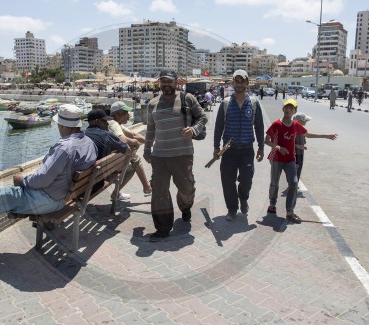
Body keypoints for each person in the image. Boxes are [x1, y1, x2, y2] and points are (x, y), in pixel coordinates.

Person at [0, 104, 97, 217]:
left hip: (48, 200)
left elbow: (42, 179)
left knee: (1, 194)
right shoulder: (89, 142)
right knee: (7, 195)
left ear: (61, 124)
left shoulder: (64, 147)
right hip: (65, 196)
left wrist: (22, 180)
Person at [144, 69, 207, 241]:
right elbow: (150, 129)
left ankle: (185, 207)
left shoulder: (187, 99)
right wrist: (146, 149)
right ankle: (163, 228)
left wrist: (193, 130)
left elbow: (202, 117)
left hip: (182, 154)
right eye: (163, 81)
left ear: (176, 82)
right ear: (159, 83)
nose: (166, 84)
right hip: (159, 156)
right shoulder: (153, 104)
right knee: (159, 192)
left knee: (186, 189)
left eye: (169, 81)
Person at [264, 99, 338, 223]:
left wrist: (326, 136)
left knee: (293, 183)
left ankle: (290, 211)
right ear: (283, 109)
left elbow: (308, 135)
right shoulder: (276, 124)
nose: (288, 110)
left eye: (291, 108)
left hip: (290, 160)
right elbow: (266, 140)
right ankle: (272, 204)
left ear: (295, 111)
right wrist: (277, 147)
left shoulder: (296, 125)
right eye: (286, 107)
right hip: (277, 159)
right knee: (274, 183)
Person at [213, 69, 265, 220]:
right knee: (227, 181)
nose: (240, 84)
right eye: (237, 81)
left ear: (247, 83)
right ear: (233, 82)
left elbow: (259, 126)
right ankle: (232, 209)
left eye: (243, 81)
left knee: (247, 179)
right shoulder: (226, 103)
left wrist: (261, 147)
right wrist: (216, 147)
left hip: (247, 150)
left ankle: (243, 198)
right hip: (228, 150)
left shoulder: (254, 103)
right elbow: (218, 127)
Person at [109, 101, 152, 199]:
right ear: (118, 114)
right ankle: (147, 188)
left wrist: (150, 143)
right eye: (126, 113)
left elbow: (133, 134)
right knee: (135, 161)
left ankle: (146, 188)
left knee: (134, 159)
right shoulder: (113, 124)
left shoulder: (117, 123)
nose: (128, 116)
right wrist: (134, 142)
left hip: (112, 160)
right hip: (110, 165)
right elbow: (122, 139)